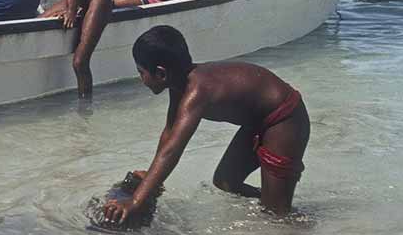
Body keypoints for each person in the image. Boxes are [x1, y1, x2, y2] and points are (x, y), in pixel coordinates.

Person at [102, 26, 309, 221]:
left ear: (161, 73)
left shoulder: (197, 92)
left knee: (276, 218)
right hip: (257, 121)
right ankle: (276, 199)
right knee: (226, 181)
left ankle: (289, 214)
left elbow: (173, 149)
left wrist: (137, 200)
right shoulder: (179, 85)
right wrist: (152, 179)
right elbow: (170, 133)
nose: (141, 79)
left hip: (285, 119)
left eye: (141, 72)